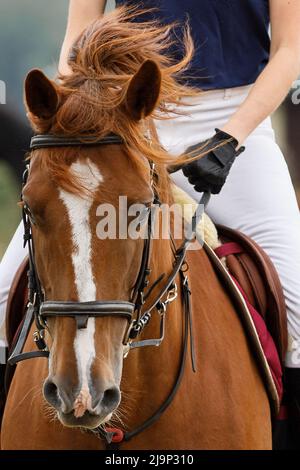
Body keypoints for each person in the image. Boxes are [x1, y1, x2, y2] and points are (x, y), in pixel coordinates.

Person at [1, 0, 300, 447]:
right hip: (126, 119)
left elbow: (290, 49)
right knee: (4, 287)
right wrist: (81, 113)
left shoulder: (238, 132)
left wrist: (231, 138)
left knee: (298, 305)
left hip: (239, 124)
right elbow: (76, 42)